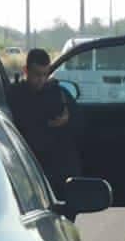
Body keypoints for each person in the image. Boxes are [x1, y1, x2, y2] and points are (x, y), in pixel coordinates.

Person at [6, 48, 82, 189]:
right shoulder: (15, 95)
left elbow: (79, 124)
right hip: (28, 165)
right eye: (37, 74)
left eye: (45, 74)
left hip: (59, 168)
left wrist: (67, 120)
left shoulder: (59, 94)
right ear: (26, 71)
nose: (41, 79)